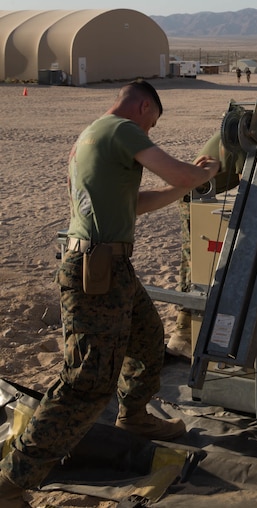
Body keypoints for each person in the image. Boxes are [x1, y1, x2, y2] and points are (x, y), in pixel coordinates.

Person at [0, 80, 220, 507]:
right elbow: (177, 171)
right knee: (86, 383)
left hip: (109, 266)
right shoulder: (121, 129)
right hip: (95, 270)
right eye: (151, 124)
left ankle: (134, 416)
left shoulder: (93, 135)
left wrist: (186, 185)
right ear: (141, 107)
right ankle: (12, 481)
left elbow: (133, 203)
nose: (149, 133)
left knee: (147, 337)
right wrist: (202, 173)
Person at [167, 127, 246, 360]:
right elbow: (248, 183)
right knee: (196, 266)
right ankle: (183, 337)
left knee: (194, 264)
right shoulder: (242, 136)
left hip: (201, 196)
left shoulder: (242, 130)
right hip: (195, 200)